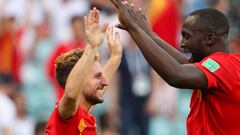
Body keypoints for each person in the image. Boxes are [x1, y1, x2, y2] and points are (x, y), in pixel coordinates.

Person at [110, 0, 240, 134]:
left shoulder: (222, 67)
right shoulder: (225, 64)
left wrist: (133, 29)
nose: (182, 44)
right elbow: (183, 63)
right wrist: (149, 35)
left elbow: (176, 75)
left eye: (187, 37)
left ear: (209, 39)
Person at [45, 7, 122, 135]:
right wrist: (92, 46)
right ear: (80, 81)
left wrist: (115, 56)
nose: (104, 82)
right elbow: (70, 94)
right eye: (97, 76)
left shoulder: (86, 117)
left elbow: (98, 86)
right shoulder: (66, 114)